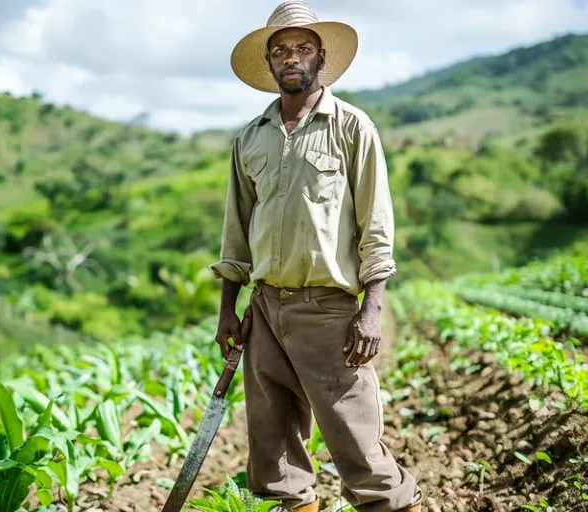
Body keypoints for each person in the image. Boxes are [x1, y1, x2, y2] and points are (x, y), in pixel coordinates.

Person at [209, 1, 423, 511]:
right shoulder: (251, 139)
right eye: (280, 50)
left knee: (354, 437)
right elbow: (236, 233)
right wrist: (228, 310)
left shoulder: (351, 127)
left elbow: (377, 225)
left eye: (303, 48)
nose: (292, 58)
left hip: (328, 308)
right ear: (270, 61)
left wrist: (371, 309)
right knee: (272, 444)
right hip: (264, 309)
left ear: (321, 57)